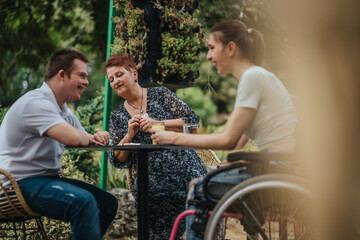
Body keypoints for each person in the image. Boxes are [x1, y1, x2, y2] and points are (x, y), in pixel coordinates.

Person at [149, 19, 298, 239]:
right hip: (278, 165)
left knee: (199, 188)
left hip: (275, 169)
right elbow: (237, 142)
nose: (208, 57)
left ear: (230, 48)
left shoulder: (252, 77)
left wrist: (173, 138)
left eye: (211, 48)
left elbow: (227, 140)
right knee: (202, 180)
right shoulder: (258, 76)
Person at [0, 48, 118, 240]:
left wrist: (94, 135)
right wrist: (84, 137)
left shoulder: (61, 109)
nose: (86, 82)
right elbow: (74, 139)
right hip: (15, 185)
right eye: (81, 76)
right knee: (84, 202)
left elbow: (85, 137)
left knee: (106, 204)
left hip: (44, 180)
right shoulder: (36, 103)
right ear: (62, 74)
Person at [105, 53, 207, 239]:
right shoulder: (117, 117)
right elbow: (117, 159)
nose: (115, 81)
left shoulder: (161, 94)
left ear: (134, 74)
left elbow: (192, 124)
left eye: (119, 74)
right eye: (111, 79)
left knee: (201, 227)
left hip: (187, 176)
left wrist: (159, 123)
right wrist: (129, 135)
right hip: (151, 187)